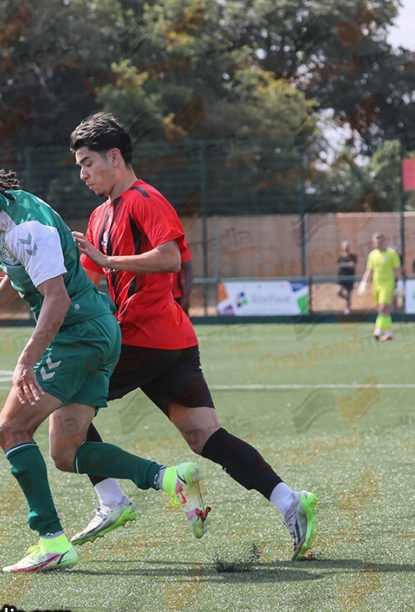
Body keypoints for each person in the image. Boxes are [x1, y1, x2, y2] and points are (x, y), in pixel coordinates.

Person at [0, 156, 209, 573]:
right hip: (94, 332)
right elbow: (22, 274)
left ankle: (51, 540)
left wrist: (26, 360)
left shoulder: (25, 229)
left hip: (77, 335)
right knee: (66, 452)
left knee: (11, 430)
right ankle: (171, 478)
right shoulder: (10, 209)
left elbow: (55, 298)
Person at [65, 113, 318, 561]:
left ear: (115, 157)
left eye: (88, 163)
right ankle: (290, 501)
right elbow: (89, 278)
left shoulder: (145, 198)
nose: (83, 174)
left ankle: (112, 498)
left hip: (144, 337)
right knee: (204, 435)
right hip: (170, 343)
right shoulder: (101, 214)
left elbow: (168, 260)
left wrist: (109, 261)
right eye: (79, 165)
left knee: (65, 397)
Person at [358, 232, 404, 341]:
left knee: (383, 307)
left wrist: (400, 283)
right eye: (375, 242)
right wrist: (363, 283)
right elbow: (369, 270)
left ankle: (377, 330)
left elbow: (397, 269)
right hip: (376, 285)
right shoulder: (372, 255)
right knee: (382, 310)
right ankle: (389, 333)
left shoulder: (392, 254)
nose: (377, 244)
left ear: (384, 241)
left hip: (387, 284)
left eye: (380, 241)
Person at [336, 241, 358, 314]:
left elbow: (353, 264)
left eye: (347, 246)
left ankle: (348, 310)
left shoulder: (352, 255)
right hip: (342, 277)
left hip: (350, 277)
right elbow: (339, 264)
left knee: (349, 293)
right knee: (339, 291)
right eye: (344, 246)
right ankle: (346, 299)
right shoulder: (340, 256)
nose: (346, 247)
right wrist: (347, 264)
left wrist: (345, 264)